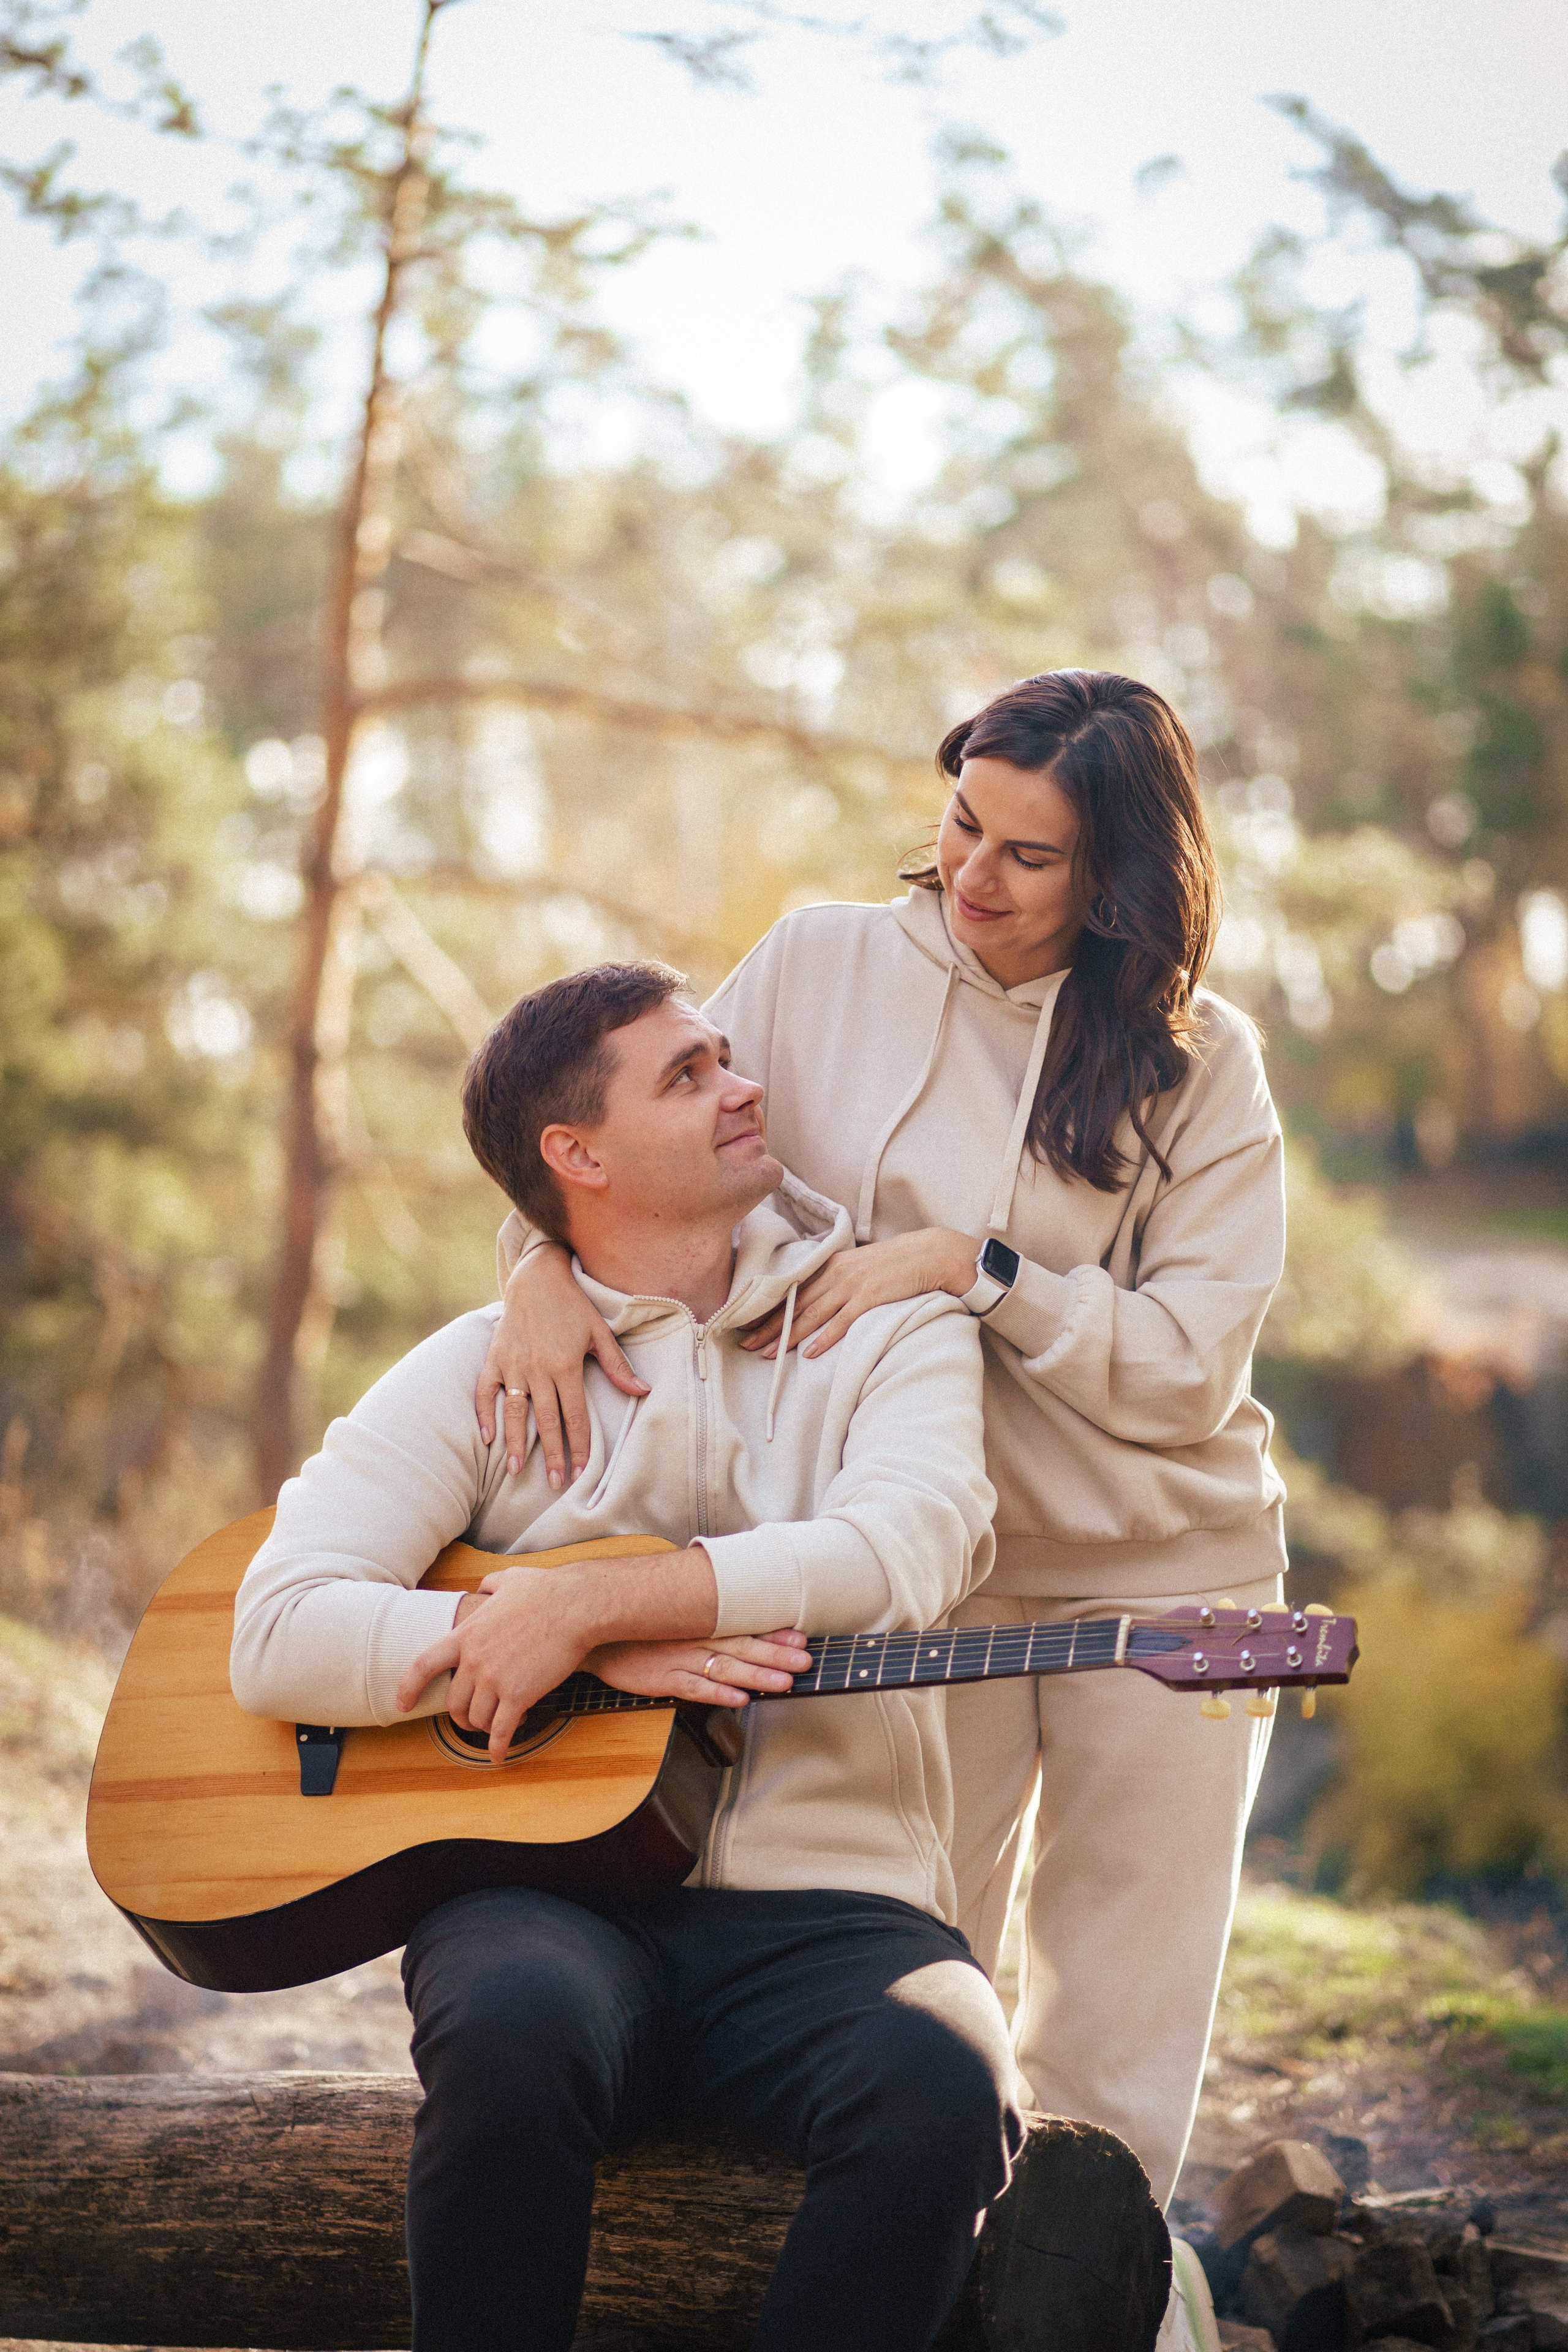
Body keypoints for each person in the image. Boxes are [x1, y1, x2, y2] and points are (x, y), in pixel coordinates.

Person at [475, 669, 1287, 2222]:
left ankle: (1093, 2314)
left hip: (1165, 1576)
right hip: (917, 1573)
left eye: (1030, 857)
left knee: (1118, 2034)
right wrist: (530, 1270)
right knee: (915, 1982)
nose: (973, 875)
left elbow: (1188, 1373)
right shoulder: (814, 961)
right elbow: (619, 1134)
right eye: (961, 823)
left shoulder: (1202, 1062)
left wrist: (969, 1268)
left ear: (1118, 877)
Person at [231, 961, 1021, 2352]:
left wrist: (612, 1610)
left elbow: (911, 1546)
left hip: (834, 1911)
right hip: (538, 1900)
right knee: (509, 2024)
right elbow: (275, 1629)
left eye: (722, 1056)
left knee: (945, 2073)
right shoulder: (479, 1366)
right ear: (574, 1156)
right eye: (690, 1074)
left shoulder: (887, 1323)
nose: (745, 1084)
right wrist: (509, 1626)